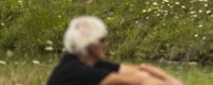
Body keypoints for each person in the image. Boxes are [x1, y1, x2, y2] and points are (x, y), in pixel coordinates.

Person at [46, 16, 184, 85]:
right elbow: (140, 81)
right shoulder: (74, 71)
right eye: (103, 39)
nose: (106, 44)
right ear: (92, 44)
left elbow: (142, 70)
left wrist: (172, 81)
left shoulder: (92, 63)